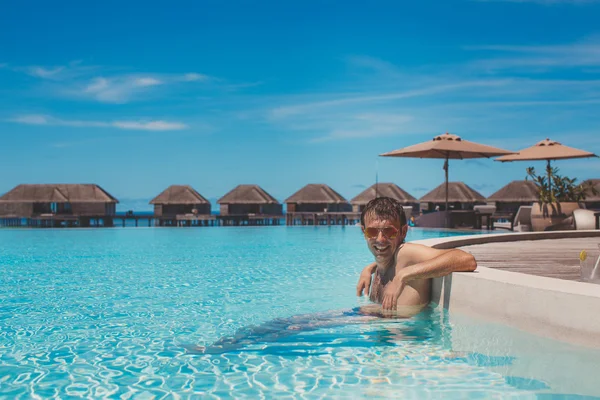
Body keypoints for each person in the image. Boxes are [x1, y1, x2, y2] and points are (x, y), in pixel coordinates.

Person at [356, 197, 476, 317]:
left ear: (403, 232)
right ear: (364, 232)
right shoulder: (380, 267)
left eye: (389, 232)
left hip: (409, 334)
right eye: (372, 232)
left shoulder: (405, 253)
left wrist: (403, 275)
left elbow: (466, 259)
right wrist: (369, 269)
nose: (380, 239)